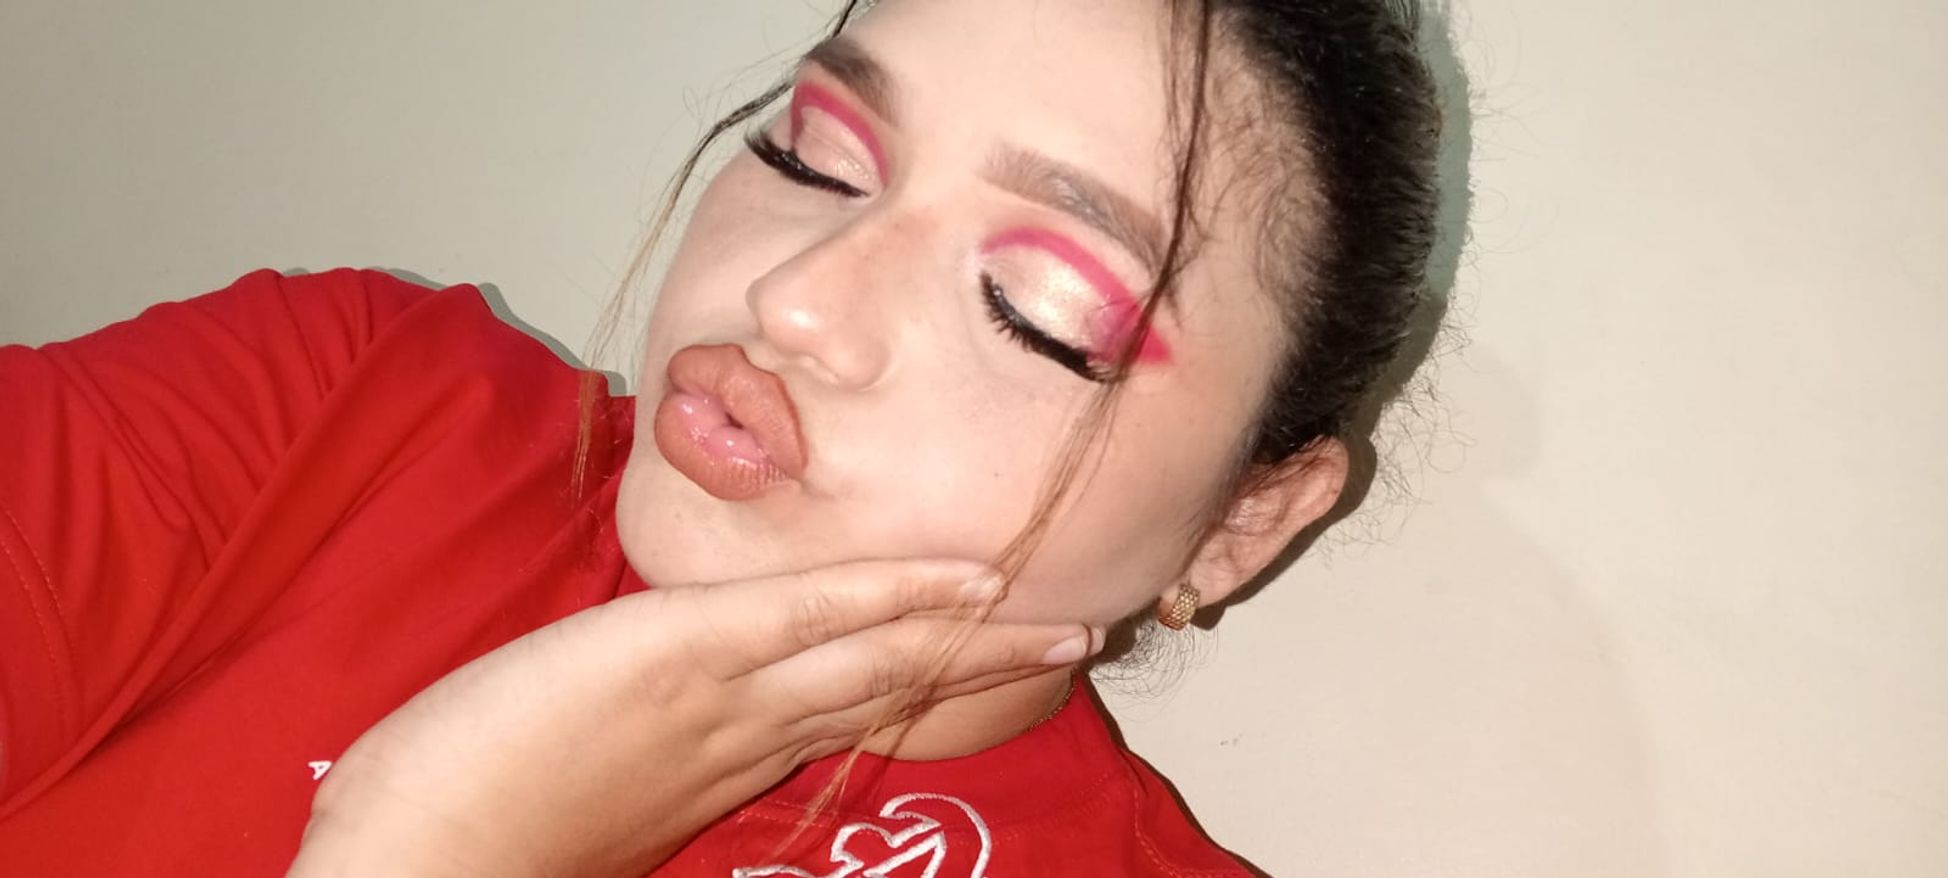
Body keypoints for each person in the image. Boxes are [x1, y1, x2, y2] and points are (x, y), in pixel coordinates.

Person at [0, 0, 1441, 874]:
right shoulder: (347, 397)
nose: (794, 298)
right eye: (816, 156)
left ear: (1246, 520)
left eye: (1033, 307)